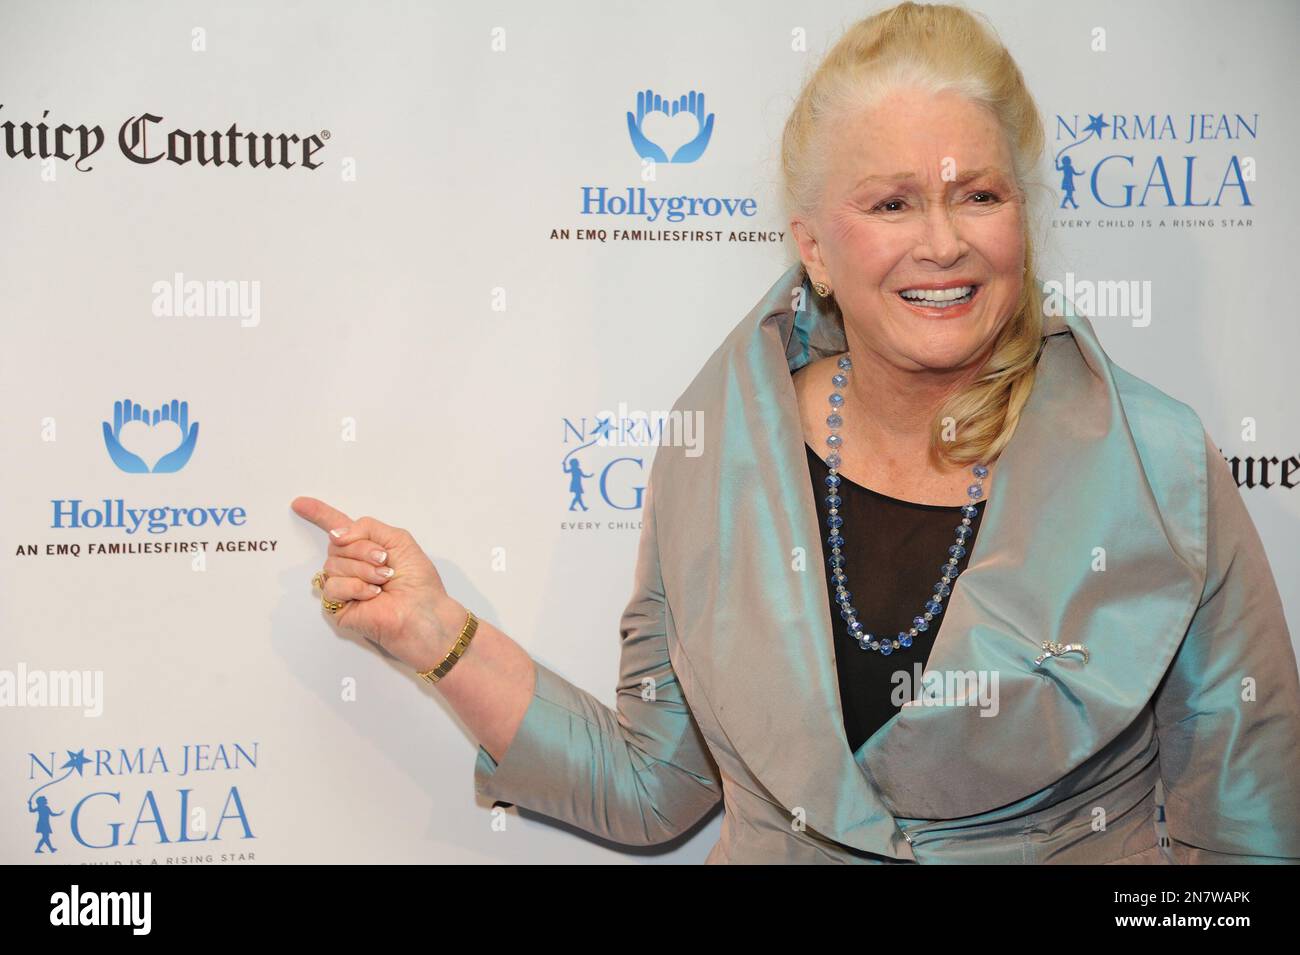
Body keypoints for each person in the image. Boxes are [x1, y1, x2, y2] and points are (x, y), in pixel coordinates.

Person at [291, 1, 1300, 863]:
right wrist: (438, 636)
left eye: (978, 195)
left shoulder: (1155, 469)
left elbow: (1245, 837)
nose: (942, 241)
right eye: (891, 202)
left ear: (1022, 217)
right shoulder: (719, 449)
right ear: (812, 245)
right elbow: (657, 785)